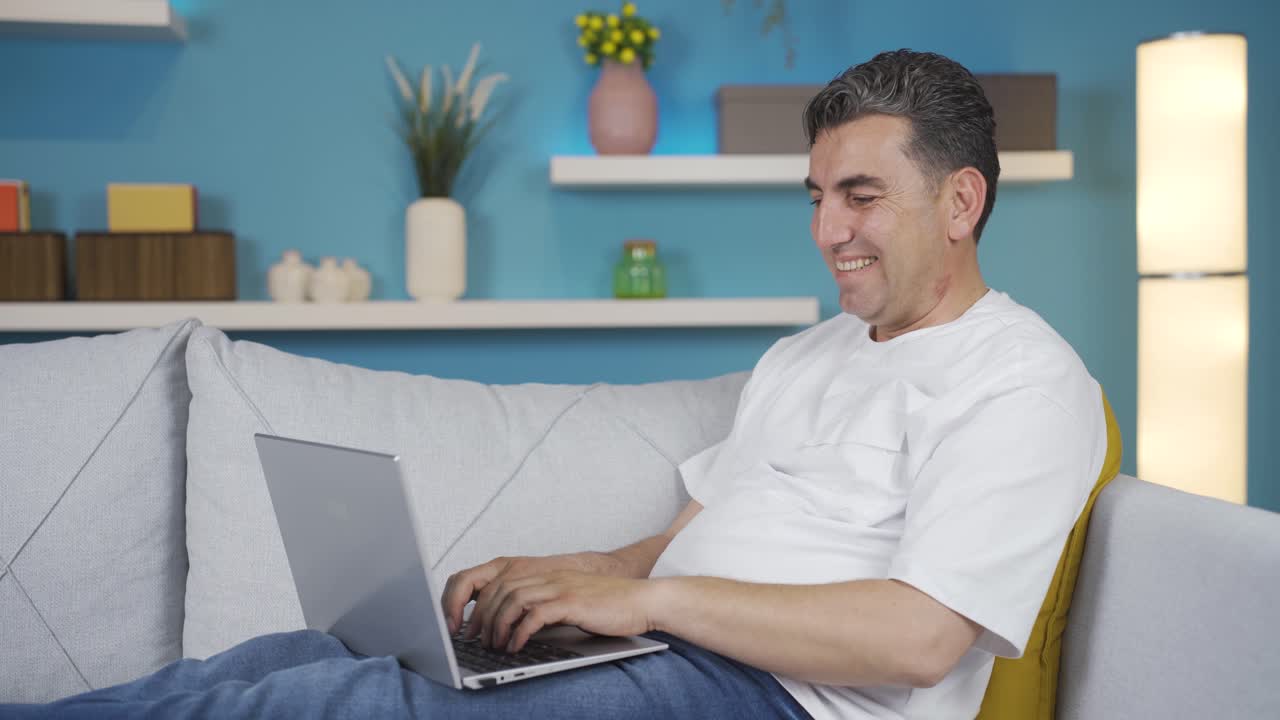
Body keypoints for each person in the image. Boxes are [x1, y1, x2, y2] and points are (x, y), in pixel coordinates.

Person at [3, 49, 1108, 720]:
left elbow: (920, 638)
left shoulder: (1021, 381)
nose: (827, 230)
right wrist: (581, 577)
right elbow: (690, 536)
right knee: (297, 657)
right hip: (672, 654)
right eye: (815, 196)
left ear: (960, 202)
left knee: (348, 704)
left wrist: (645, 605)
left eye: (860, 196)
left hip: (779, 700)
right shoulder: (809, 354)